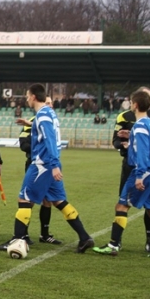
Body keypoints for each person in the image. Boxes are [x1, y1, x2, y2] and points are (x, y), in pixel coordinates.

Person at [8, 83, 94, 253]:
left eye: (27, 96)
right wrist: (29, 123)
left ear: (33, 96)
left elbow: (50, 141)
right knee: (59, 201)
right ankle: (84, 237)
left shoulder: (43, 115)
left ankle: (17, 241)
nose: (26, 99)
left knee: (24, 199)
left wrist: (53, 165)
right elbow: (47, 133)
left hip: (43, 164)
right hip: (50, 163)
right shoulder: (49, 113)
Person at [0, 96, 60, 250]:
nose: (50, 106)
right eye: (47, 103)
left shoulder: (50, 119)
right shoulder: (36, 119)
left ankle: (44, 235)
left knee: (47, 201)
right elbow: (24, 144)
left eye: (51, 103)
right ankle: (22, 235)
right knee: (28, 200)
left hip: (48, 164)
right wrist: (39, 147)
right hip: (35, 164)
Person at [93, 90, 150, 256]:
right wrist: (131, 134)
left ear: (135, 105)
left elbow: (142, 152)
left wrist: (139, 175)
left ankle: (114, 244)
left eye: (132, 102)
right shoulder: (147, 124)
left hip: (141, 171)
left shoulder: (139, 126)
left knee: (122, 205)